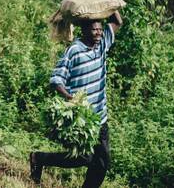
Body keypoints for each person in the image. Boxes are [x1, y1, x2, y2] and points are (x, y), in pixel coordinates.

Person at [29, 10, 123, 187]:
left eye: (100, 29)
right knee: (83, 157)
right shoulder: (74, 51)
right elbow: (56, 80)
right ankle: (38, 158)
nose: (99, 33)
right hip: (82, 119)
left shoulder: (102, 45)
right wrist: (70, 98)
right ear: (85, 31)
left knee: (102, 163)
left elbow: (117, 22)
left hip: (100, 117)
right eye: (95, 30)